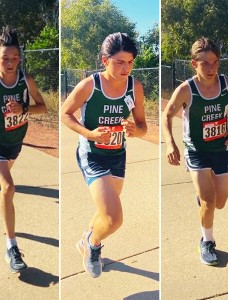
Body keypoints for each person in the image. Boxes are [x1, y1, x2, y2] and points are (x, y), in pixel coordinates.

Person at [61, 32, 147, 278]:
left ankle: (87, 240)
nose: (125, 68)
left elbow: (142, 126)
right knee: (113, 218)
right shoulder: (90, 85)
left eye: (130, 62)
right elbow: (65, 113)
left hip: (117, 155)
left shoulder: (135, 87)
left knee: (105, 212)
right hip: (92, 155)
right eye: (120, 62)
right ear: (104, 60)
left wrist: (135, 130)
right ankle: (93, 244)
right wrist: (89, 134)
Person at [0, 26, 47, 273]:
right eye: (5, 58)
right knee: (10, 186)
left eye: (15, 58)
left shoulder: (27, 80)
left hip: (15, 140)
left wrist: (23, 111)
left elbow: (43, 107)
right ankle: (11, 246)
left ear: (20, 59)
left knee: (0, 179)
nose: (11, 62)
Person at [162, 37, 228, 266]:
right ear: (193, 63)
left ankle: (204, 198)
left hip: (221, 149)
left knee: (220, 202)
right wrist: (170, 143)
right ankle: (207, 241)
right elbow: (167, 115)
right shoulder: (186, 90)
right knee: (209, 200)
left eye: (214, 62)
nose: (210, 68)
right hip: (196, 151)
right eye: (204, 63)